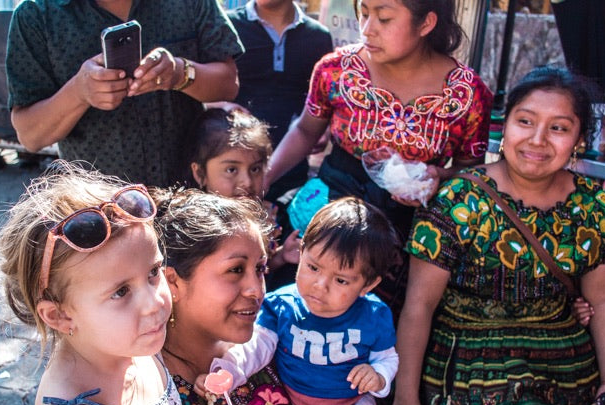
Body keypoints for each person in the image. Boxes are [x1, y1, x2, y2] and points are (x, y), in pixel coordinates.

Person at [388, 66, 605, 405]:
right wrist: (405, 400)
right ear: (503, 127)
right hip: (468, 365)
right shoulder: (459, 200)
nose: (538, 139)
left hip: (565, 364)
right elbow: (418, 307)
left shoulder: (595, 207)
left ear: (579, 139)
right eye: (525, 121)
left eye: (559, 128)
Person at [0, 163, 266, 405]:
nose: (155, 301)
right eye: (121, 291)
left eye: (153, 272)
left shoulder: (135, 351)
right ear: (58, 315)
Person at [154, 188, 369, 405]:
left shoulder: (269, 345)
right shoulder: (148, 391)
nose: (257, 290)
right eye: (235, 270)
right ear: (172, 283)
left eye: (260, 268)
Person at [263, 0, 493, 314]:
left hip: (403, 235)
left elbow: (473, 173)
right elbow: (305, 131)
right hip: (327, 218)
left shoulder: (468, 94)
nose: (368, 29)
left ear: (425, 24)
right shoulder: (335, 70)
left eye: (384, 18)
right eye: (365, 13)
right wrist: (260, 182)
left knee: (373, 332)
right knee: (292, 314)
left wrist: (440, 178)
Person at [195, 197, 400, 405]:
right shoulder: (282, 306)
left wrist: (378, 375)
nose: (320, 285)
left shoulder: (375, 316)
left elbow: (388, 358)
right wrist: (229, 370)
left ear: (369, 285)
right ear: (301, 252)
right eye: (313, 267)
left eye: (342, 280)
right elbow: (257, 346)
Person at [5, 0, 243, 185]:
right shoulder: (35, 15)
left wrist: (180, 74)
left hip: (189, 206)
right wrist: (79, 92)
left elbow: (228, 83)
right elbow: (30, 136)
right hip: (102, 218)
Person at [217, 0, 333, 202]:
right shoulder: (229, 26)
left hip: (292, 169)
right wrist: (224, 107)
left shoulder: (318, 37)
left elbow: (321, 101)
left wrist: (324, 128)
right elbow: (209, 92)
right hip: (236, 168)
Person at [185, 107, 300, 287]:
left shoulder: (268, 217)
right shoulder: (194, 229)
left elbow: (255, 275)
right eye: (232, 170)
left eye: (255, 169)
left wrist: (279, 256)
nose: (247, 182)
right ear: (200, 173)